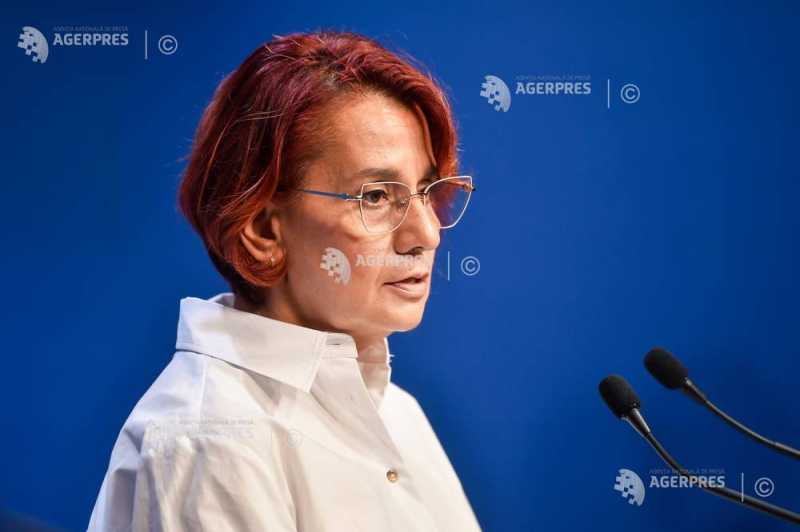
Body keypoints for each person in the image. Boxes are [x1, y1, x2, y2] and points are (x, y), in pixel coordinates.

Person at [88, 29, 480, 531]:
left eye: (425, 190)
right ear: (262, 230)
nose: (425, 234)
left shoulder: (399, 414)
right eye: (376, 196)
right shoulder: (211, 438)